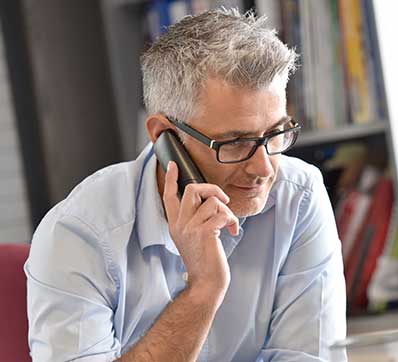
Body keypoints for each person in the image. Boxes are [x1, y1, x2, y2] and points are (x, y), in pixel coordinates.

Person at [25, 9, 346, 362]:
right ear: (165, 137)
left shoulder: (297, 196)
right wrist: (203, 291)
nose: (264, 168)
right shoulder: (79, 233)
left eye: (275, 134)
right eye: (235, 142)